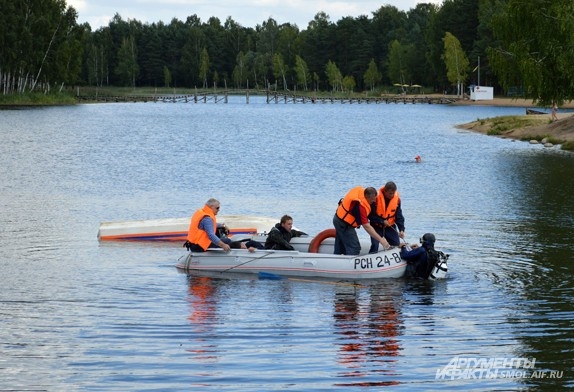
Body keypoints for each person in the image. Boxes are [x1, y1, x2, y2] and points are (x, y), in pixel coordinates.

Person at [185, 198, 262, 252]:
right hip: (200, 246)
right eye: (217, 208)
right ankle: (241, 248)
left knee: (227, 240)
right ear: (211, 207)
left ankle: (240, 246)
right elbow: (211, 235)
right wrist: (223, 245)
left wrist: (222, 225)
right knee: (229, 242)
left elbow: (209, 225)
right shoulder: (207, 218)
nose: (219, 210)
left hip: (194, 244)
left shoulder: (202, 212)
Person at [333, 186, 391, 255]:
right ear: (367, 197)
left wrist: (382, 221)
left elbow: (371, 216)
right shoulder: (360, 207)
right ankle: (349, 263)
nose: (374, 201)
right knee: (355, 248)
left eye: (375, 199)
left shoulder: (362, 192)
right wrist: (381, 240)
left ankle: (336, 260)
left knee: (340, 247)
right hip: (344, 224)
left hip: (338, 219)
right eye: (372, 200)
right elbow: (366, 226)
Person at [368, 181, 405, 253]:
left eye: (393, 193)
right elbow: (370, 216)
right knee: (375, 245)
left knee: (396, 244)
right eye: (390, 193)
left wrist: (401, 229)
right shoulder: (375, 198)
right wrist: (382, 221)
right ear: (385, 191)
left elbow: (399, 216)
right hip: (376, 226)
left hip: (389, 227)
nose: (392, 195)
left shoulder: (397, 200)